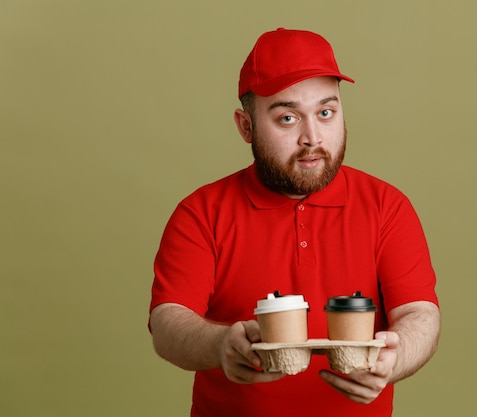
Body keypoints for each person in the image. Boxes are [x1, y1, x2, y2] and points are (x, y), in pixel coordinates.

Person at [149, 27, 440, 417]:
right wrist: (221, 344)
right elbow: (168, 322)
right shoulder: (200, 212)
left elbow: (420, 314)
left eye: (325, 112)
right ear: (245, 126)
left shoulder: (387, 206)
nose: (312, 137)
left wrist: (395, 356)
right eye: (288, 118)